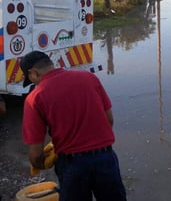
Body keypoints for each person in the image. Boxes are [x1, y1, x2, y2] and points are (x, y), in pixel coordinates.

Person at [20, 51, 126, 201]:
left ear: (33, 73)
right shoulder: (89, 78)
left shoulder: (34, 98)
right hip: (106, 158)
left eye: (31, 80)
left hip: (72, 166)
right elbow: (109, 120)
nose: (34, 84)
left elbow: (35, 155)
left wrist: (44, 161)